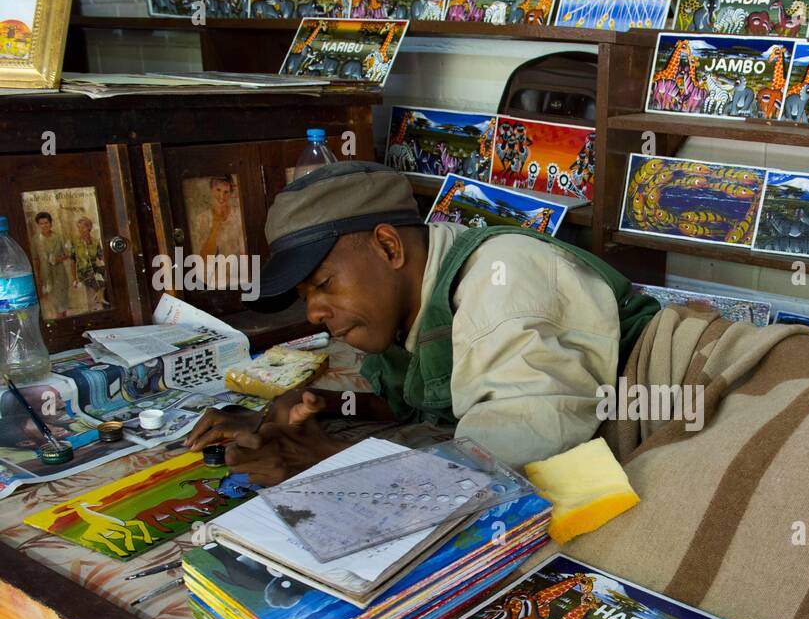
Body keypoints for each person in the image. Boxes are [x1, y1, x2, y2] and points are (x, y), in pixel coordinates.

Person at [187, 161, 659, 485]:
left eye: (324, 283)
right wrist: (315, 407)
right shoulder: (407, 305)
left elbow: (506, 472)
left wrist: (327, 462)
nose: (313, 312)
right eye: (305, 296)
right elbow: (425, 401)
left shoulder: (501, 283)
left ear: (389, 247)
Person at [29, 212, 73, 319]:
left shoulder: (58, 237)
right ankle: (60, 324)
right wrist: (38, 279)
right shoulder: (35, 240)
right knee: (54, 304)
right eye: (41, 223)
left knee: (62, 303)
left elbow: (68, 253)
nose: (44, 225)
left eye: (46, 223)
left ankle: (64, 323)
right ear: (38, 225)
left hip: (60, 275)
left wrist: (58, 259)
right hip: (46, 277)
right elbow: (35, 260)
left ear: (51, 223)